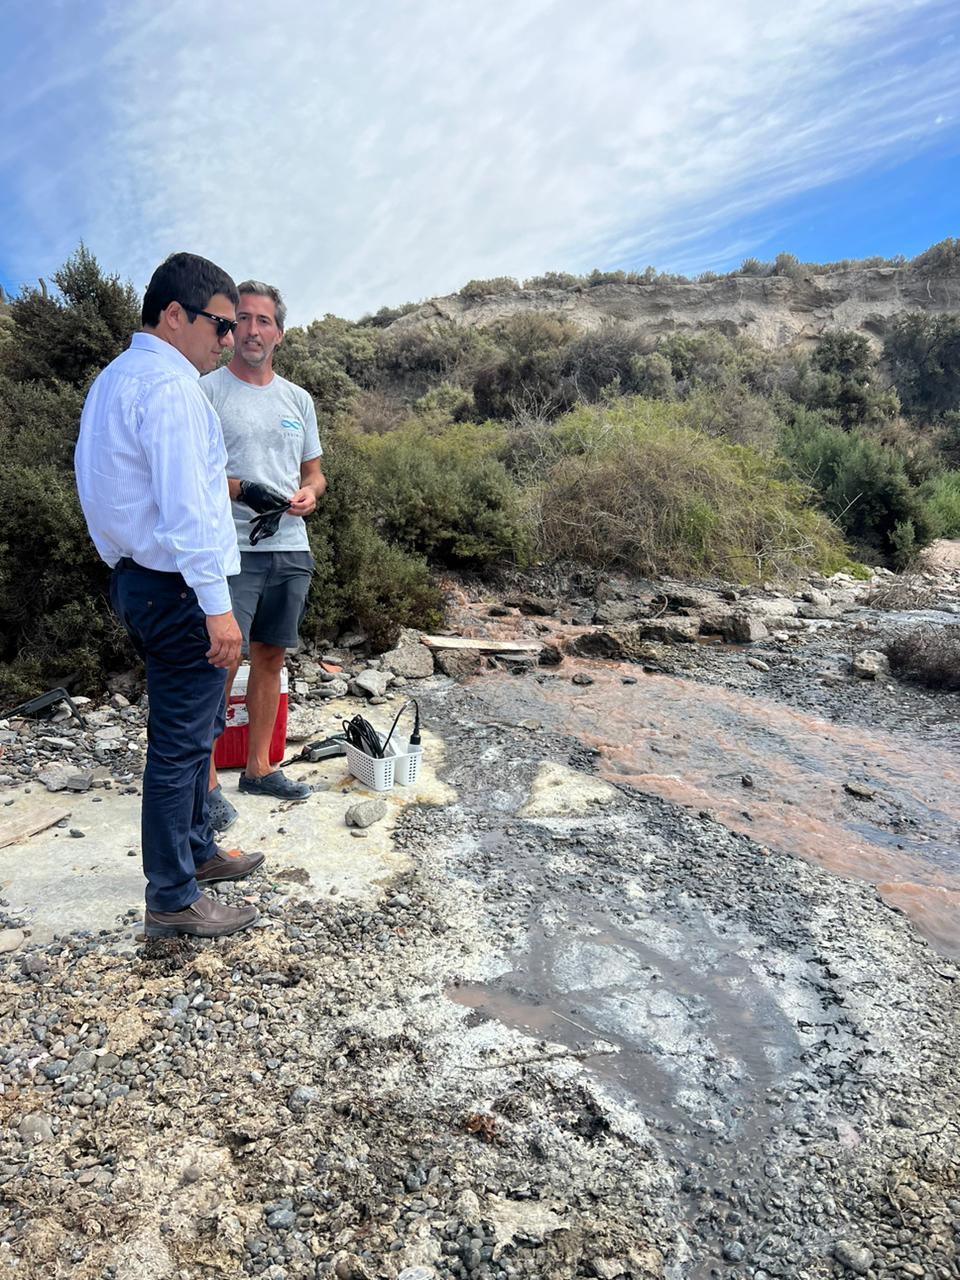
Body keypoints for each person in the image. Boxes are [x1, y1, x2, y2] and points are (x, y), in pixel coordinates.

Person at [75, 252, 265, 939]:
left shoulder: (112, 382)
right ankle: (174, 898)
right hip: (180, 589)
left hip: (141, 582)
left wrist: (127, 568)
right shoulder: (172, 388)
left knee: (196, 731)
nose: (227, 340)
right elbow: (189, 509)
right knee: (181, 745)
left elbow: (96, 488)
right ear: (175, 315)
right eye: (220, 324)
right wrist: (217, 607)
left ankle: (197, 856)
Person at [201, 281, 325, 829]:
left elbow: (314, 471)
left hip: (289, 547)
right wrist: (242, 489)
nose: (252, 330)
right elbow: (192, 473)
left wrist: (309, 495)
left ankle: (258, 768)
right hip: (230, 550)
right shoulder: (206, 390)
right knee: (219, 663)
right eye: (243, 319)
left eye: (263, 321)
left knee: (270, 658)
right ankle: (202, 783)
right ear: (231, 328)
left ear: (279, 331)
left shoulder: (298, 400)